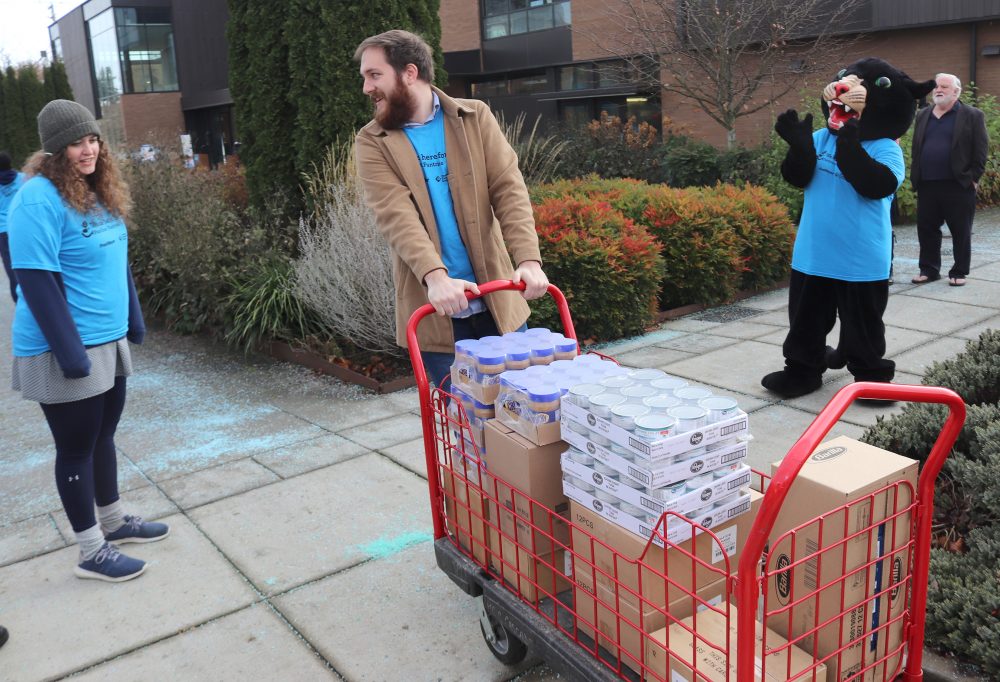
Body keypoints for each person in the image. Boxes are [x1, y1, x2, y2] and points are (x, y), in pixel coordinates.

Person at [7, 100, 168, 582]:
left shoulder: (97, 192)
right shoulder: (37, 199)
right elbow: (34, 280)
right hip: (64, 348)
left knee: (103, 435)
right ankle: (90, 551)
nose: (88, 149)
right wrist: (70, 352)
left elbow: (116, 261)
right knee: (75, 447)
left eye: (93, 139)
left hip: (106, 340)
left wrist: (133, 319)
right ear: (56, 150)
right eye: (77, 142)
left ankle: (114, 522)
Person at [353, 30, 549, 389]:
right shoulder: (372, 141)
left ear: (409, 73)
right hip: (438, 310)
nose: (367, 87)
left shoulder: (474, 117)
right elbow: (395, 215)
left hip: (497, 298)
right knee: (461, 422)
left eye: (374, 74)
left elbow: (508, 188)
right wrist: (435, 277)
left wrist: (529, 261)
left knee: (521, 414)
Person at [910, 73, 989, 287]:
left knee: (960, 231)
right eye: (936, 86)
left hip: (958, 184)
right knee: (926, 230)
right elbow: (917, 147)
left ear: (956, 91)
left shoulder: (972, 115)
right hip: (927, 184)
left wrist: (973, 179)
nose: (938, 89)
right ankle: (929, 269)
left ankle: (959, 271)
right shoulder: (923, 115)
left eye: (944, 86)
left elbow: (981, 151)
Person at [0, 150, 26, 301]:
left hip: (3, 232)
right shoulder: (23, 179)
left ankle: (20, 303)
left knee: (12, 270)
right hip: (23, 227)